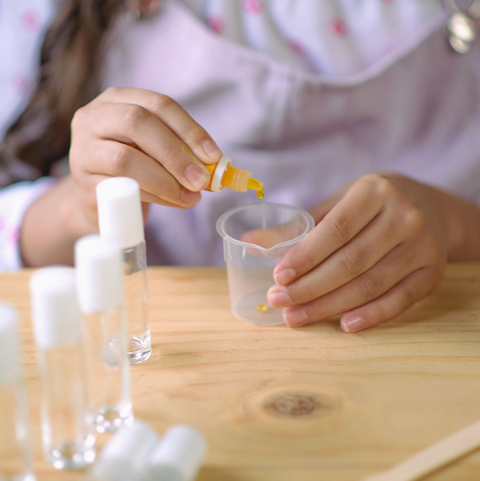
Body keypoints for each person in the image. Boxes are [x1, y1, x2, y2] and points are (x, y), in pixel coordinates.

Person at [1, 0, 479, 333]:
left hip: (416, 338)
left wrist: (451, 224)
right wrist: (80, 209)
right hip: (170, 355)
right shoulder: (45, 16)